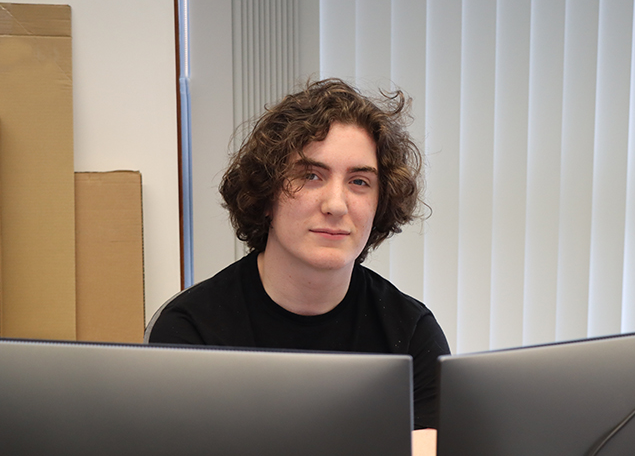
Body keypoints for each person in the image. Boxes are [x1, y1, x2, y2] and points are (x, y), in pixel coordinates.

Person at [147, 78, 450, 455]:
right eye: (311, 176)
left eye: (359, 181)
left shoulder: (411, 332)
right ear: (267, 193)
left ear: (379, 205)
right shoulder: (191, 330)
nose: (336, 205)